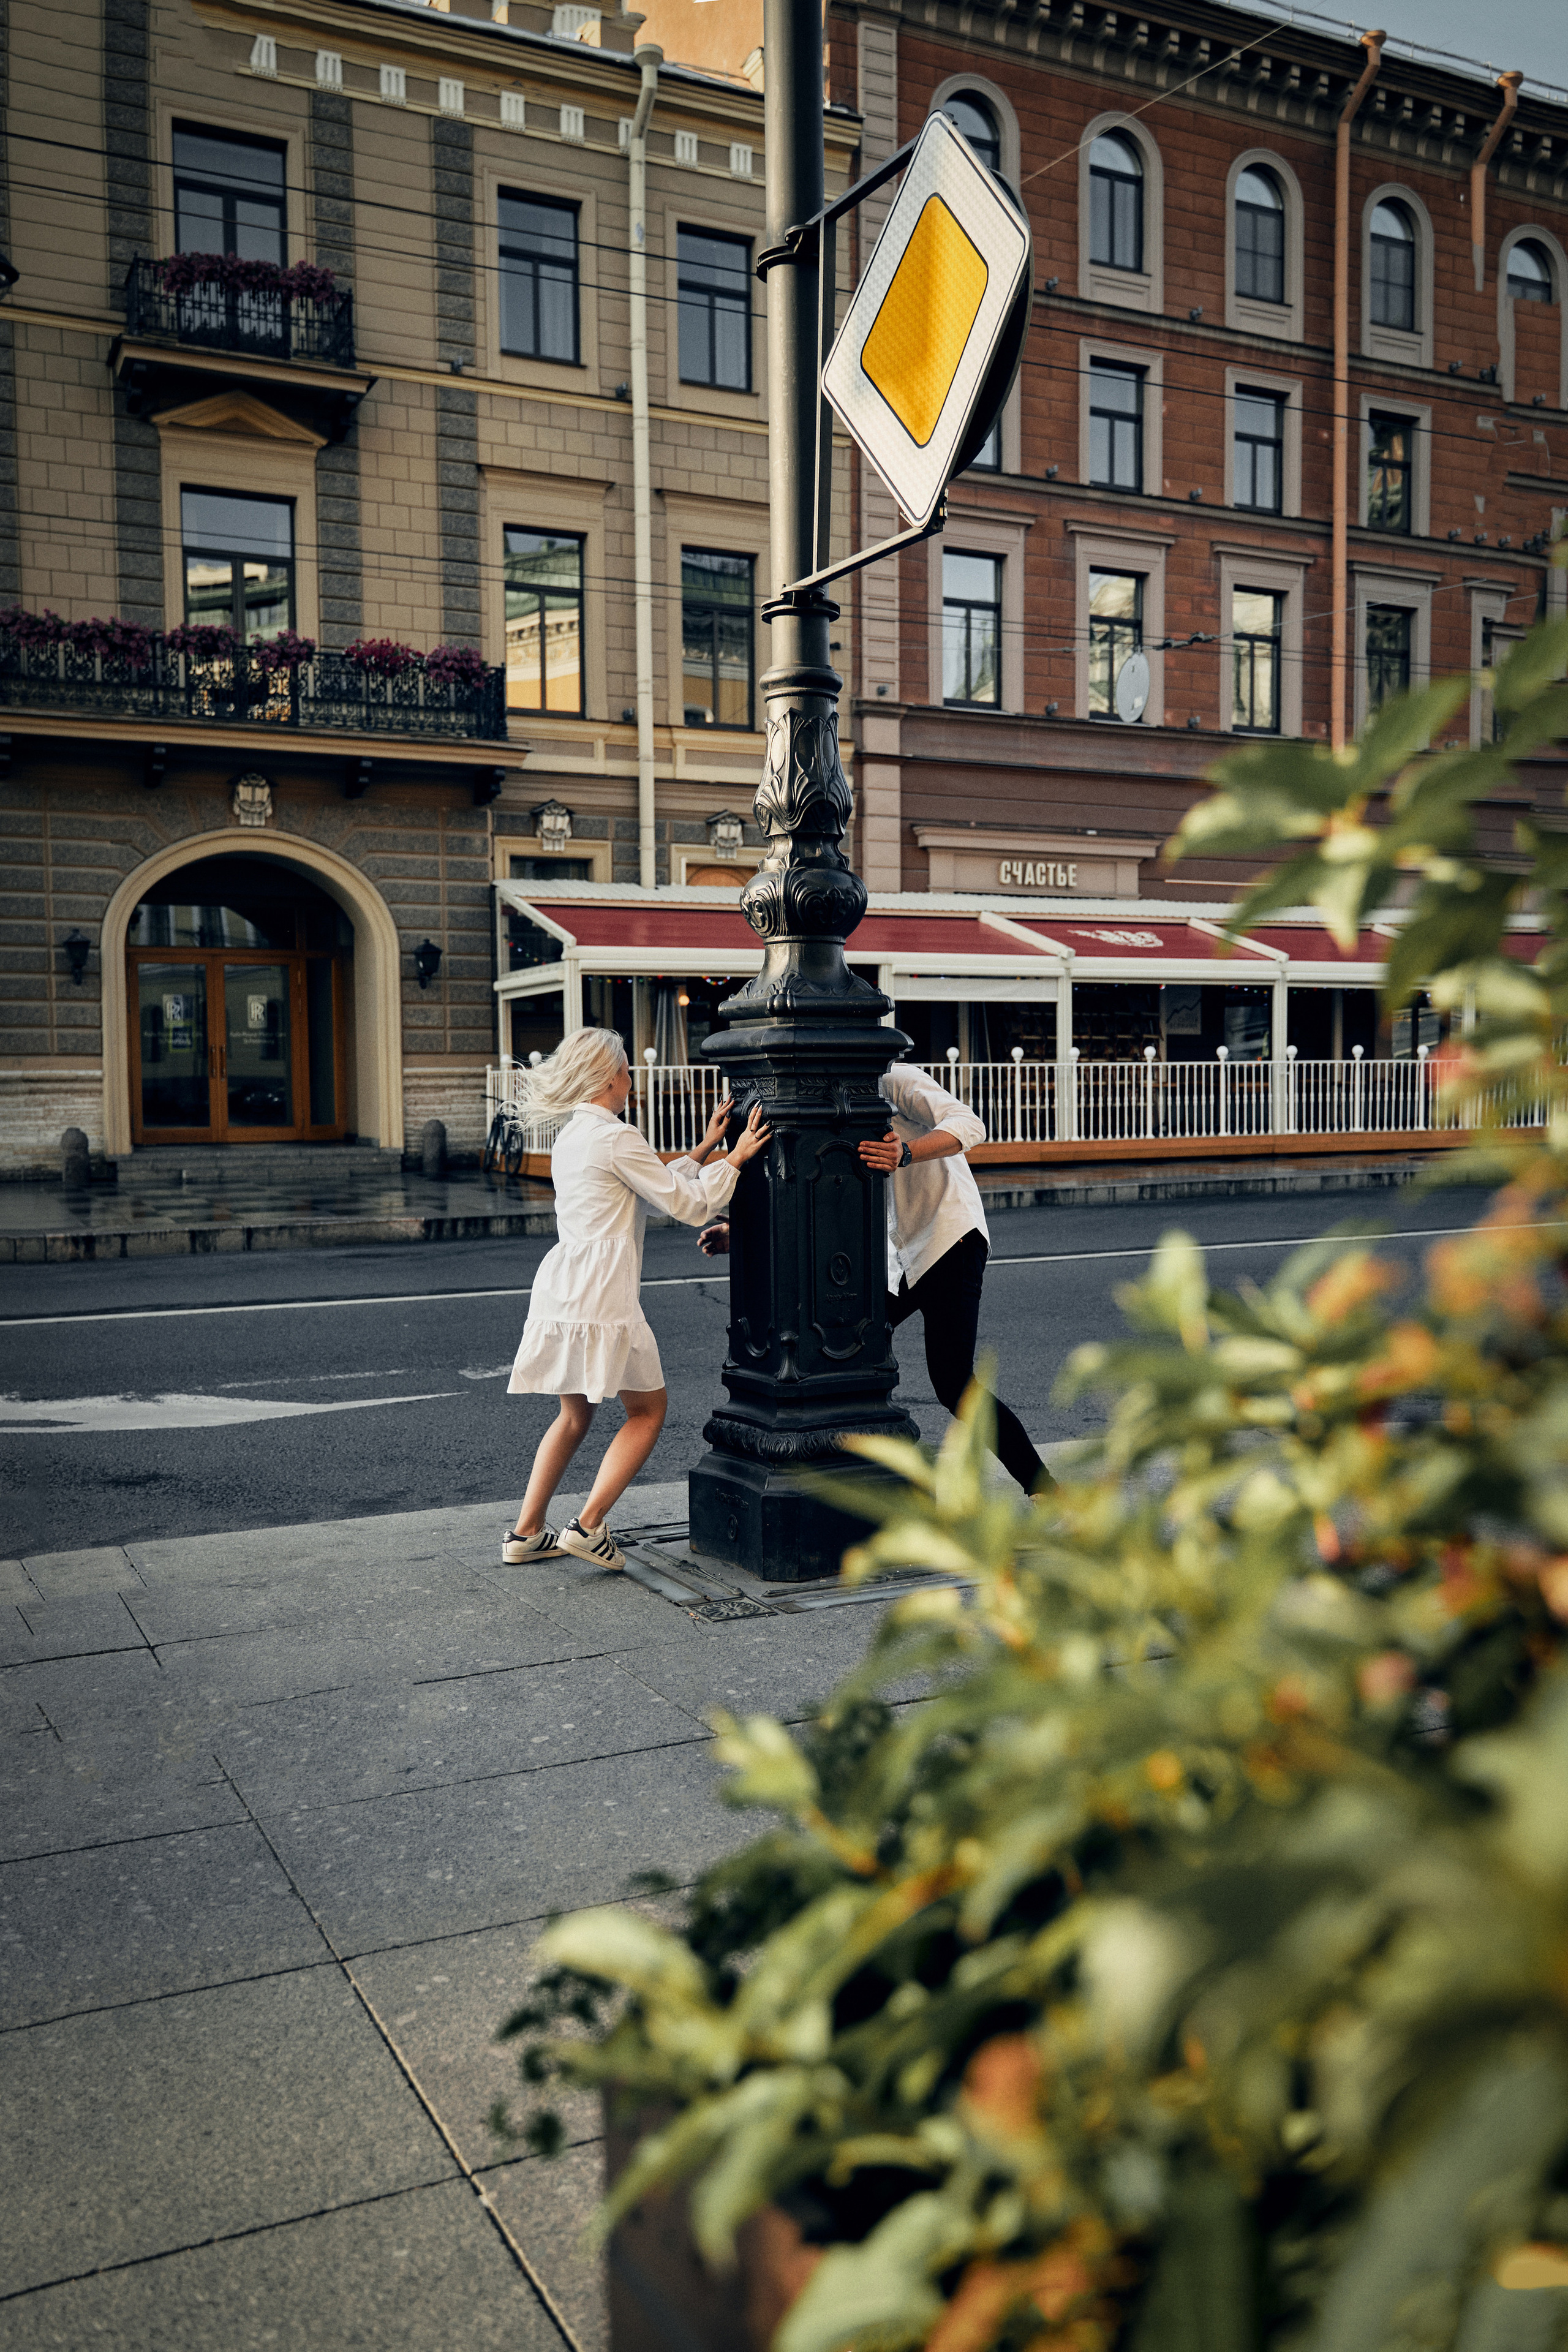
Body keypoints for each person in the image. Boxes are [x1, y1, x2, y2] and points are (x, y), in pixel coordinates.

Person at [699, 1060, 1049, 1496]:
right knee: (839, 1351)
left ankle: (1046, 1492)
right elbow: (818, 1192)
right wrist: (741, 1233)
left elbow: (969, 1123)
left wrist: (905, 1152)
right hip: (890, 1258)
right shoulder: (814, 1101)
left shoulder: (894, 1080)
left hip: (947, 1240)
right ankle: (872, 1485)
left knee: (955, 1383)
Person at [504, 1028, 771, 1572]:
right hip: (606, 1294)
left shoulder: (575, 1137)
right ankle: (590, 1525)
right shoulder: (618, 1136)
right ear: (609, 1079)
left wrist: (705, 1147)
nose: (631, 1080)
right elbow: (691, 1206)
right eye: (627, 1071)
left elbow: (645, 1191)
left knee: (574, 1415)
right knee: (648, 1412)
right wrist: (738, 1158)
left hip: (564, 1285)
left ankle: (527, 1533)